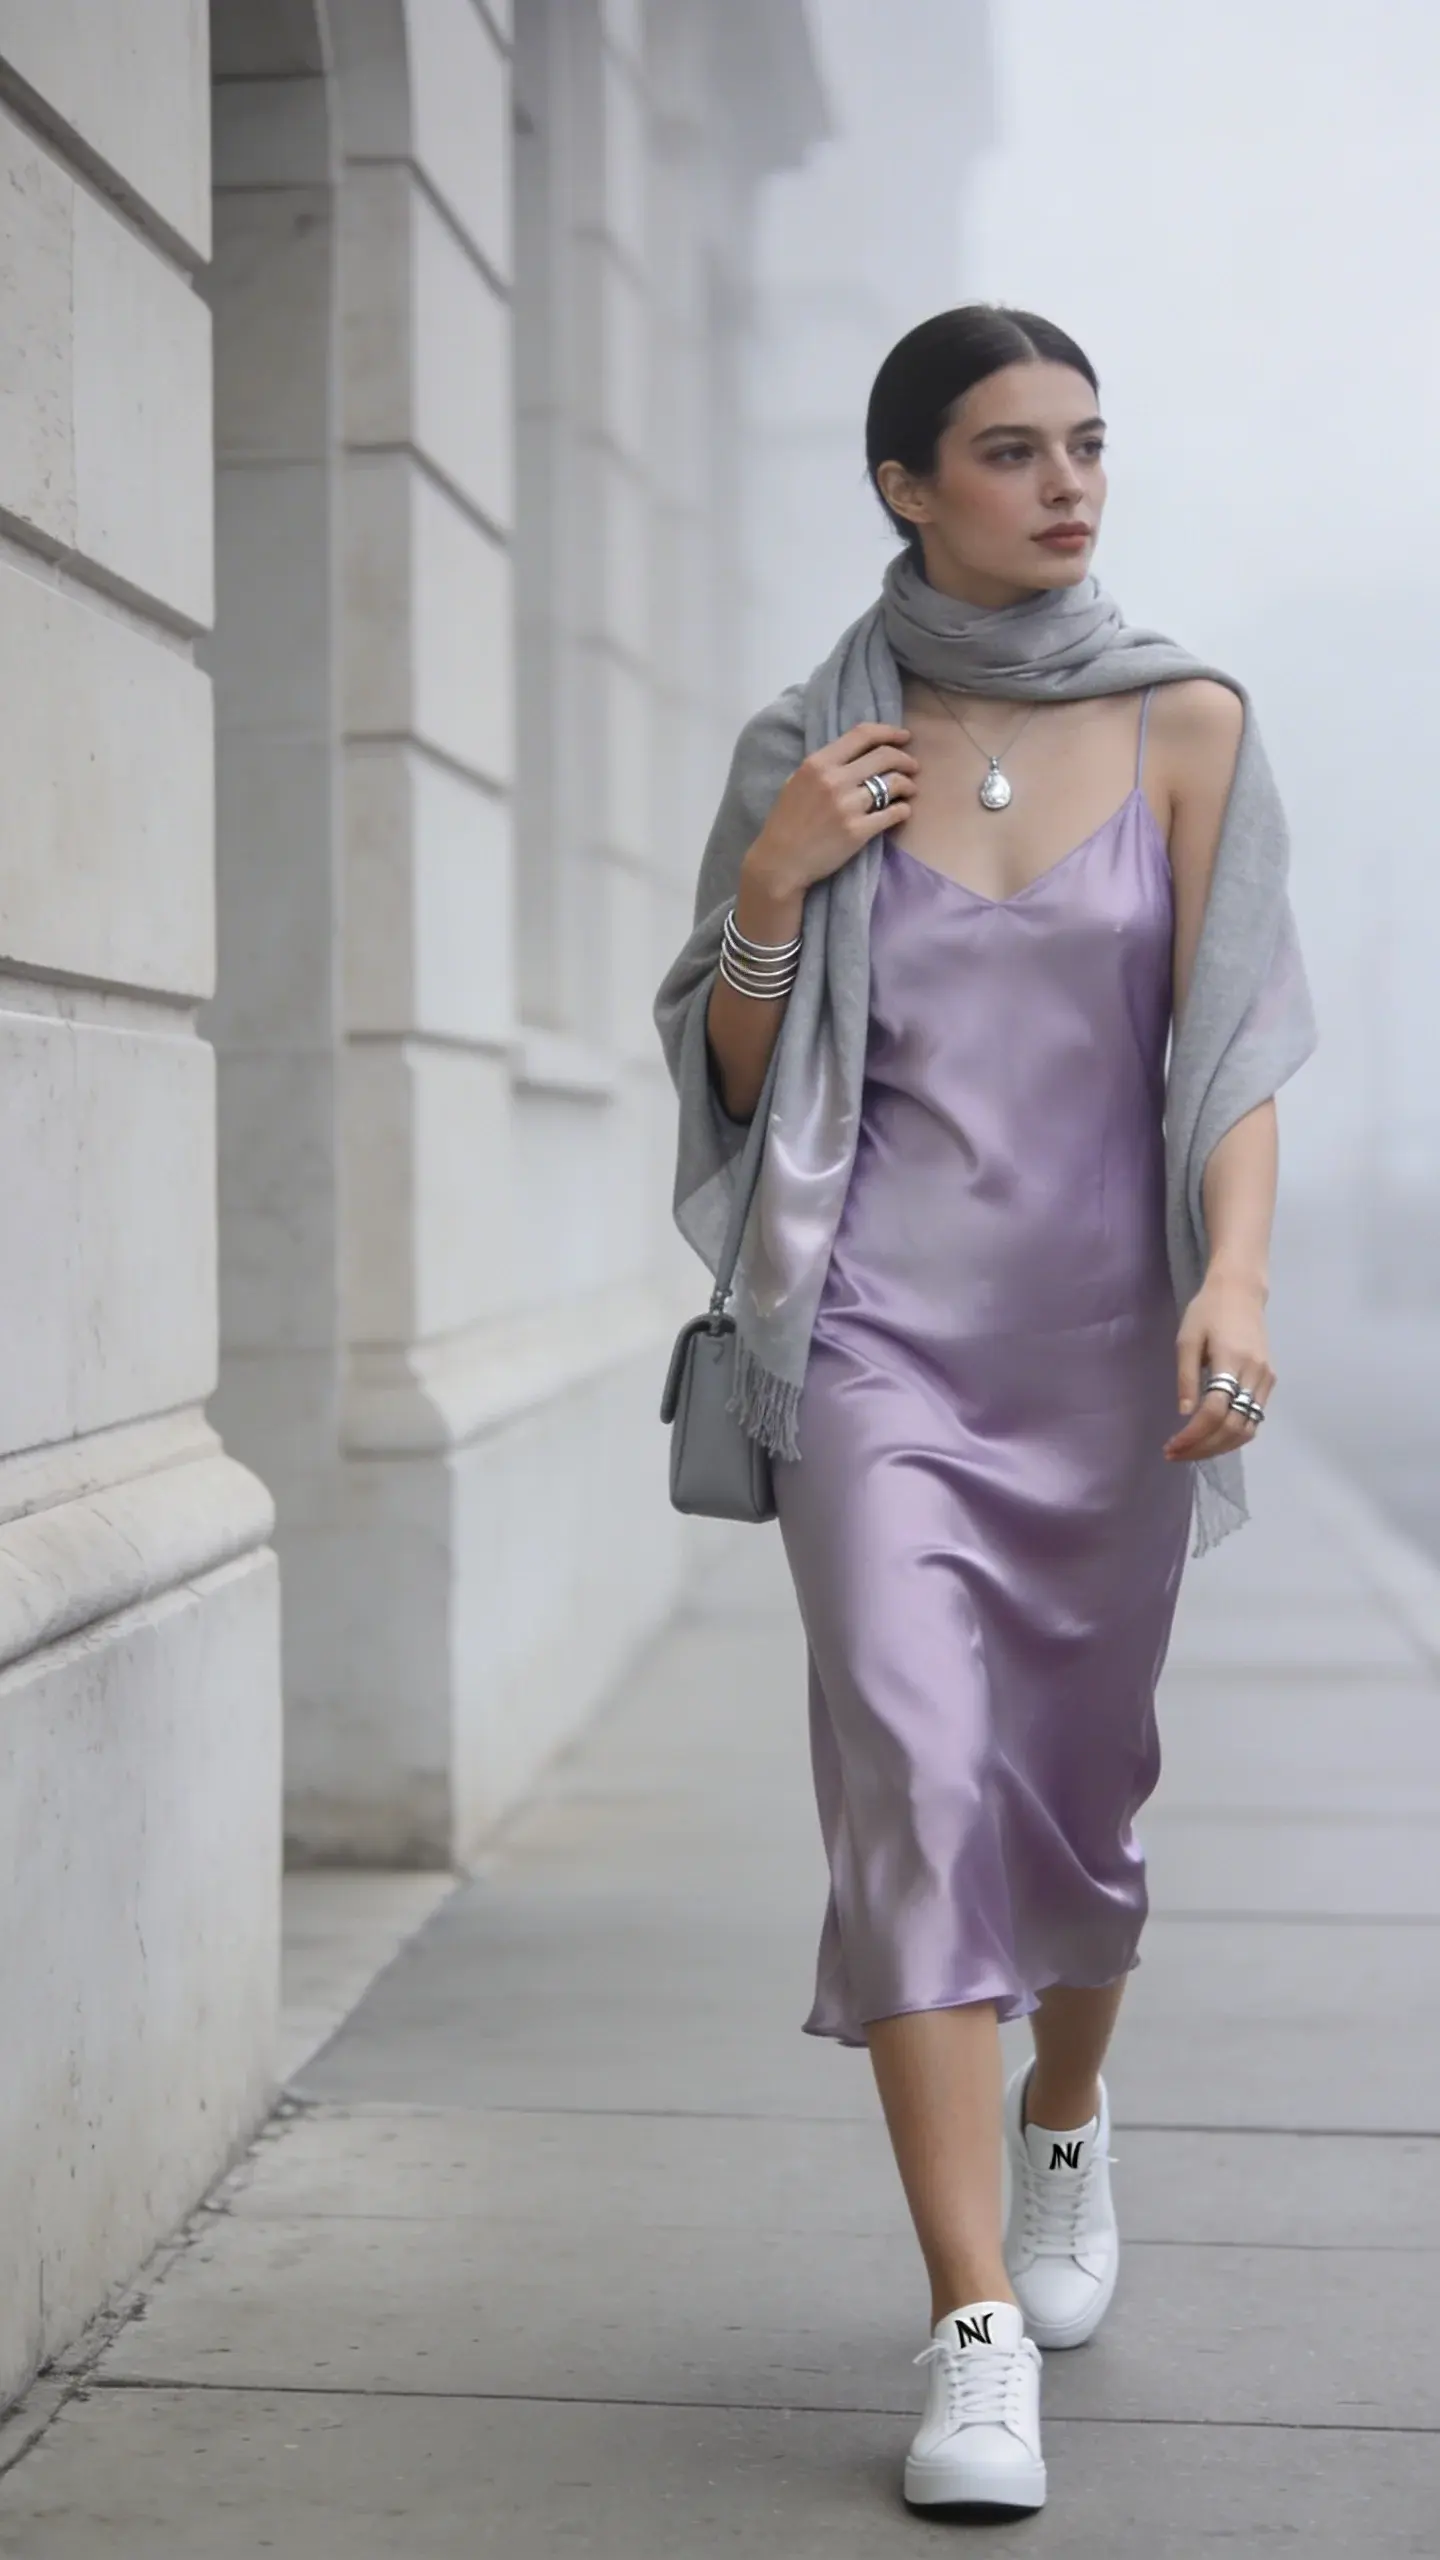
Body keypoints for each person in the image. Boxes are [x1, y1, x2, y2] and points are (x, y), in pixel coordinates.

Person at [652, 306, 1316, 2519]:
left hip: (1111, 1363)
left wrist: (1230, 1274)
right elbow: (741, 1087)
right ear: (904, 484)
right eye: (1013, 450)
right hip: (872, 1350)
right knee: (917, 1785)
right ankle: (970, 2323)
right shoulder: (816, 743)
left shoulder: (1192, 722)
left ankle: (1067, 2117)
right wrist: (772, 889)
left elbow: (1225, 1062)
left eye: (1090, 445)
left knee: (1080, 1802)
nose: (1068, 485)